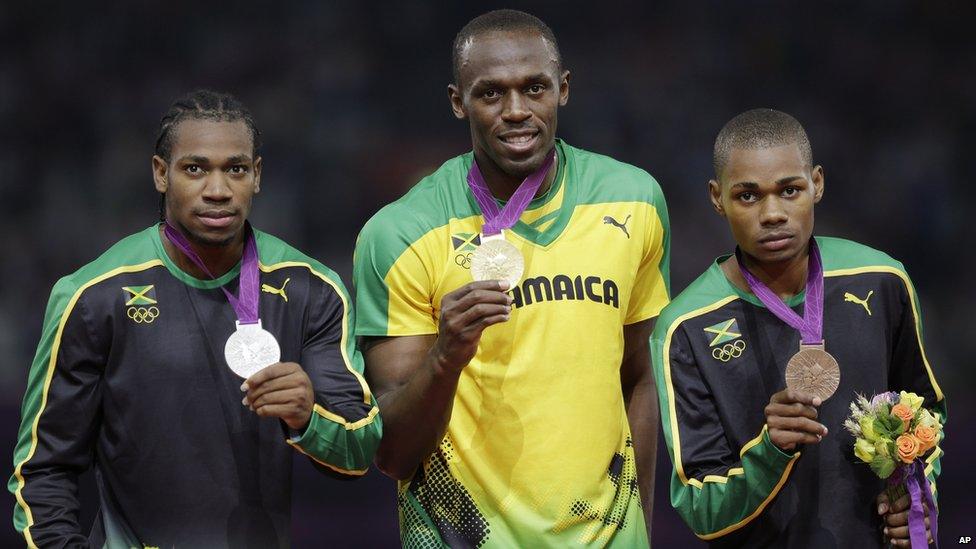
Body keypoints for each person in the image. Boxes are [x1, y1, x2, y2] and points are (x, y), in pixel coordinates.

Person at [8, 90, 381, 548]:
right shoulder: (91, 296)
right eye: (195, 168)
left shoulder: (312, 291)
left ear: (257, 176)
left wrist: (308, 418)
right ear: (161, 174)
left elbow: (360, 450)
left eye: (236, 169)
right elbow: (43, 472)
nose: (218, 190)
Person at [353, 9, 670, 548]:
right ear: (458, 102)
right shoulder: (400, 232)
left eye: (535, 88)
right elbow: (393, 453)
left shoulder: (635, 201)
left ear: (563, 89)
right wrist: (445, 356)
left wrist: (641, 529)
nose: (517, 111)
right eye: (491, 94)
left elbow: (640, 376)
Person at [651, 108, 945, 547]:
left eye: (790, 190)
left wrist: (919, 499)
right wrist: (770, 451)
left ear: (817, 184)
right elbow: (701, 512)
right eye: (748, 196)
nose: (772, 213)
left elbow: (927, 416)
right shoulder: (685, 326)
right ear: (717, 198)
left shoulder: (883, 280)